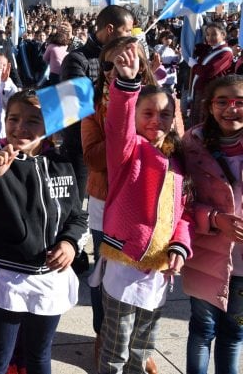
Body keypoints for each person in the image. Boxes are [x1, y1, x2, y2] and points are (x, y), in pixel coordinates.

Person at [0, 90, 88, 374]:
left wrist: (70, 243)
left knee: (38, 357)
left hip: (50, 281)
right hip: (6, 279)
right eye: (13, 118)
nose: (20, 127)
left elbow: (77, 215)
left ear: (49, 125)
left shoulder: (62, 163)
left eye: (32, 120)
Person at [94, 42, 192, 374]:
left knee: (142, 350)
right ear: (136, 115)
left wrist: (180, 245)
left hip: (161, 270)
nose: (156, 121)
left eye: (165, 114)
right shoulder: (127, 150)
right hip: (125, 265)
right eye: (147, 113)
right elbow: (118, 124)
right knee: (115, 352)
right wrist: (126, 82)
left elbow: (183, 213)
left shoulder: (179, 158)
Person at [82, 36, 160, 362]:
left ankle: (141, 351)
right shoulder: (94, 106)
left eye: (130, 62)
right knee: (106, 283)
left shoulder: (161, 104)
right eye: (112, 65)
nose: (122, 69)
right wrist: (121, 122)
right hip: (107, 206)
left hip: (151, 211)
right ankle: (106, 338)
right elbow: (95, 158)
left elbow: (178, 155)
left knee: (150, 285)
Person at [181, 75, 243, 374]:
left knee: (235, 332)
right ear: (210, 105)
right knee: (203, 329)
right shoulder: (192, 143)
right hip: (207, 256)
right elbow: (180, 202)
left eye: (240, 102)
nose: (231, 109)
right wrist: (215, 219)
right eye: (223, 102)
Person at [60, 4, 134, 195]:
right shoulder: (77, 59)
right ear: (110, 29)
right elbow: (73, 105)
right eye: (126, 30)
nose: (129, 36)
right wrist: (117, 84)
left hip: (118, 146)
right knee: (79, 206)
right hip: (83, 147)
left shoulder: (129, 61)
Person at [188, 22, 234, 126]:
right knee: (196, 118)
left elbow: (210, 71)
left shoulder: (226, 52)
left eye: (214, 34)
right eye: (207, 35)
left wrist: (194, 66)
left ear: (223, 35)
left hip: (211, 91)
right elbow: (200, 49)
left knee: (205, 120)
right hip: (200, 89)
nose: (210, 37)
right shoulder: (210, 49)